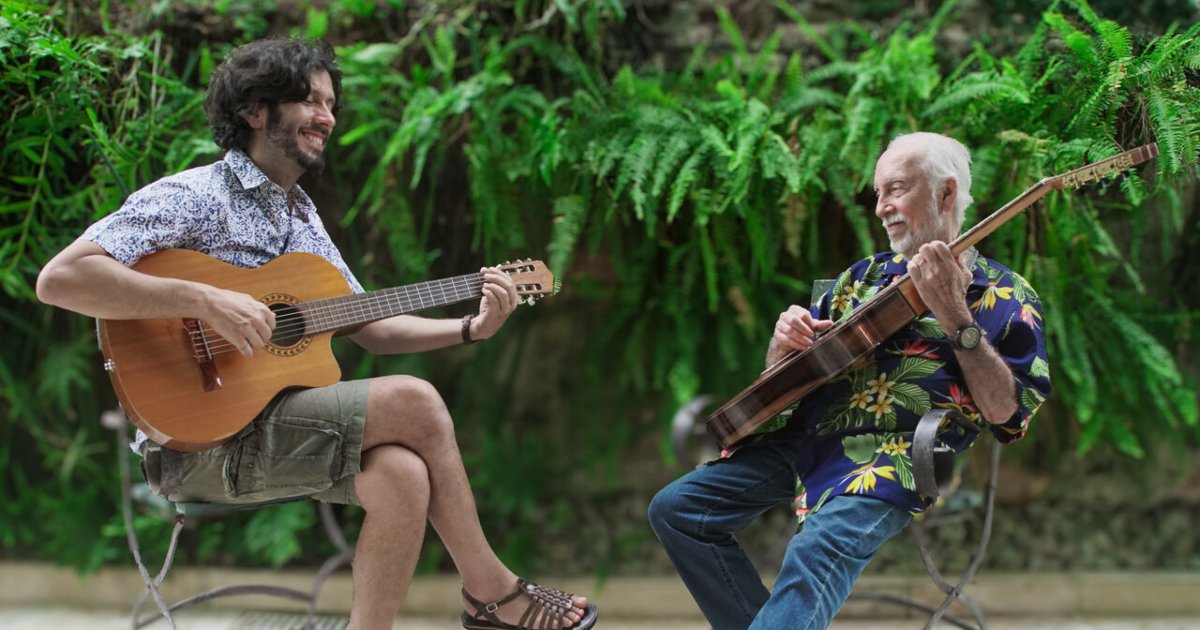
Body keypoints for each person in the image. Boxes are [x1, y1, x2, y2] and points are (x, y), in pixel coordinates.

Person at [36, 37, 597, 630]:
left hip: (271, 427)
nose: (327, 117)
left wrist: (468, 328)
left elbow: (364, 321)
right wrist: (203, 298)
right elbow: (62, 278)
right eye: (309, 100)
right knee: (414, 399)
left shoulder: (301, 216)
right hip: (198, 443)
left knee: (402, 475)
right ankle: (493, 595)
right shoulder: (192, 196)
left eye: (331, 103)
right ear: (256, 110)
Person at [648, 132, 1051, 629]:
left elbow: (1007, 415)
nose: (881, 208)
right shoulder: (862, 279)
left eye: (896, 190)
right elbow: (791, 385)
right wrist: (780, 352)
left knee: (815, 550)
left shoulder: (1007, 294)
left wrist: (955, 314)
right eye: (878, 193)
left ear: (946, 193)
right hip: (809, 438)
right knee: (678, 510)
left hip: (896, 455)